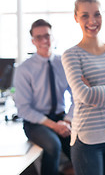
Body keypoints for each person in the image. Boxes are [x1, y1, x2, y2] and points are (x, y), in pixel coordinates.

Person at [61, 0, 105, 175]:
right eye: (85, 16)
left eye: (97, 14)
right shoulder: (71, 55)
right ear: (76, 18)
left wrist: (99, 90)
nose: (92, 21)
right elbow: (86, 96)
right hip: (87, 139)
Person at [13, 19, 73, 175]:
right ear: (33, 41)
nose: (44, 40)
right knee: (53, 145)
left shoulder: (64, 63)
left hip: (62, 119)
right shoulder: (24, 69)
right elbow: (24, 108)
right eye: (38, 37)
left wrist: (66, 121)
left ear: (53, 37)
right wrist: (54, 126)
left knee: (79, 147)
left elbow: (76, 97)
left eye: (47, 35)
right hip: (36, 122)